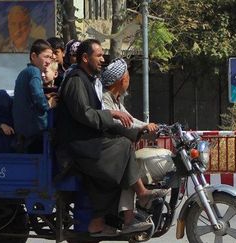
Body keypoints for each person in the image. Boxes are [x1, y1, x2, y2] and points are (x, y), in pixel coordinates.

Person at [56, 39, 166, 236]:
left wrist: (136, 131)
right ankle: (141, 195)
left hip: (87, 142)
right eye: (98, 55)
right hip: (77, 146)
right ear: (84, 58)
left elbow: (111, 120)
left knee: (118, 161)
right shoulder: (75, 81)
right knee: (123, 148)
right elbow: (85, 114)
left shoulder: (87, 80)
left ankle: (98, 223)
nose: (102, 59)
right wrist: (112, 115)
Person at [101, 57, 169, 231]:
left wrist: (148, 126)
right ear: (122, 80)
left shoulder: (115, 99)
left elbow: (130, 120)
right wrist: (143, 128)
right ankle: (134, 211)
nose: (129, 81)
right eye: (128, 77)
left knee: (133, 164)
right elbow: (119, 124)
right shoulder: (105, 99)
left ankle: (138, 210)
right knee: (131, 166)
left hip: (114, 148)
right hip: (108, 150)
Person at [13, 39, 57, 153]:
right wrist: (48, 104)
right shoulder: (34, 72)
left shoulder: (25, 72)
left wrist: (45, 96)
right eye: (46, 57)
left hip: (24, 130)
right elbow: (37, 95)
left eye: (50, 58)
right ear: (33, 56)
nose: (48, 61)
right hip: (34, 130)